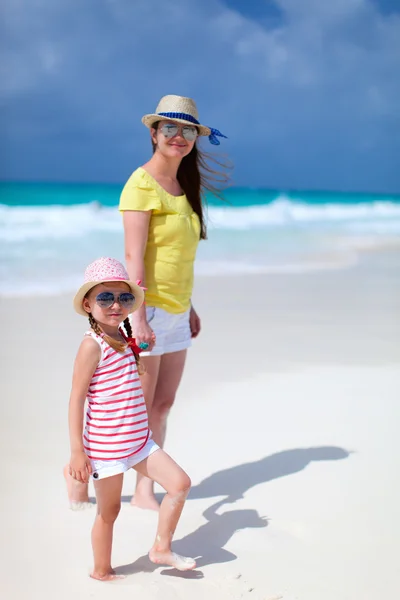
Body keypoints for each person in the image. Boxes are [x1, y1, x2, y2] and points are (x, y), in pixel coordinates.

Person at [118, 94, 228, 510]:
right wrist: (139, 318)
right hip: (149, 310)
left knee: (163, 404)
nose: (178, 137)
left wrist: (191, 305)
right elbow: (134, 257)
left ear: (196, 138)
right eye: (170, 128)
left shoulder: (185, 187)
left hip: (178, 310)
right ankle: (127, 485)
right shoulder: (141, 183)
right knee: (140, 407)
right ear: (154, 133)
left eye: (187, 130)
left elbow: (177, 257)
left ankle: (145, 486)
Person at [67, 257, 196, 580]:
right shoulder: (90, 346)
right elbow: (76, 399)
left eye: (124, 298)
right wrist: (77, 452)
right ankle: (101, 571)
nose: (115, 305)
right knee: (109, 512)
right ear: (87, 303)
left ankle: (161, 548)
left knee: (180, 484)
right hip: (107, 448)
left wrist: (141, 347)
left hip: (139, 442)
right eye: (105, 297)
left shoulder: (126, 338)